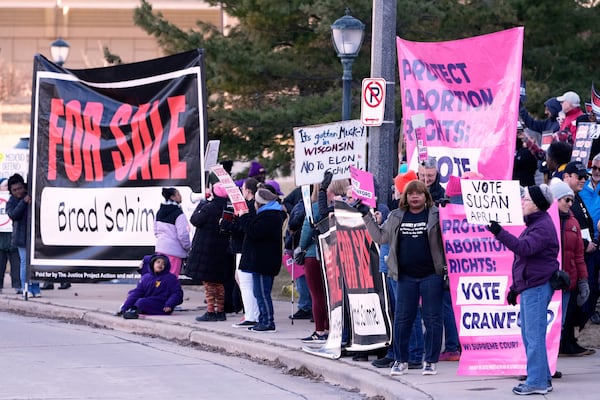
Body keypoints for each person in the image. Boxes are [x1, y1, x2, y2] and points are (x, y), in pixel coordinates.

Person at [360, 179, 446, 376]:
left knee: (433, 319)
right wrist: (367, 217)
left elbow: (451, 232)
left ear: (426, 196)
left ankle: (431, 361)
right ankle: (400, 360)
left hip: (431, 275)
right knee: (402, 319)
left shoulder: (436, 214)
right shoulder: (396, 215)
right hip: (404, 276)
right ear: (405, 197)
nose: (415, 196)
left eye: (419, 193)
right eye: (411, 193)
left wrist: (449, 209)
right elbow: (381, 238)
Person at [487, 184, 558, 395]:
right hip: (531, 286)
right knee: (531, 336)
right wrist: (515, 289)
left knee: (533, 336)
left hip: (537, 287)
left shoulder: (542, 226)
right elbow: (524, 261)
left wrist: (499, 232)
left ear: (536, 205)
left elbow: (523, 249)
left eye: (525, 199)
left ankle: (537, 381)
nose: (522, 202)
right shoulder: (537, 224)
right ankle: (542, 377)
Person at [372, 170, 426, 370]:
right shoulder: (397, 212)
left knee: (406, 313)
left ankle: (410, 354)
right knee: (401, 312)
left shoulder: (404, 214)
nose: (393, 189)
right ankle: (406, 352)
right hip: (393, 267)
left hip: (399, 269)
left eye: (397, 186)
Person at [549, 181, 593, 356]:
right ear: (555, 199)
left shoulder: (573, 222)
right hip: (547, 283)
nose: (569, 203)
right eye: (565, 200)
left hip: (566, 283)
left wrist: (583, 281)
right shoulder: (545, 220)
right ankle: (542, 366)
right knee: (545, 326)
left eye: (571, 200)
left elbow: (578, 256)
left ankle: (550, 364)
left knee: (559, 324)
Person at [238, 188, 287, 332]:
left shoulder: (270, 216)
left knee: (262, 293)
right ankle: (262, 320)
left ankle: (268, 322)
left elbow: (254, 232)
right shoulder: (268, 214)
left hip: (264, 261)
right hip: (262, 260)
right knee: (258, 292)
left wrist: (243, 217)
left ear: (259, 203)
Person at [188, 183, 235, 322]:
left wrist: (201, 204)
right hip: (222, 251)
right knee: (219, 283)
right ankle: (220, 310)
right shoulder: (228, 208)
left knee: (209, 283)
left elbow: (195, 220)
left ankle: (210, 311)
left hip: (207, 251)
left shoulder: (209, 207)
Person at [220, 178, 261, 328]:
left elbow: (243, 228)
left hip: (244, 248)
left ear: (248, 191)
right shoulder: (247, 207)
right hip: (240, 248)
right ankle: (251, 313)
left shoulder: (249, 207)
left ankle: (252, 315)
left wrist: (229, 224)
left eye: (243, 189)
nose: (241, 192)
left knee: (246, 283)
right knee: (242, 280)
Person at [298, 185, 328, 343]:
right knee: (331, 294)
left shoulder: (315, 208)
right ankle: (330, 327)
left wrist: (301, 248)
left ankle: (320, 330)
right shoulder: (343, 207)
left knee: (318, 295)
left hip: (314, 253)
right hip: (333, 253)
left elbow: (306, 231)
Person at [6, 174, 40, 298]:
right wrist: (23, 202)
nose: (18, 192)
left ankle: (36, 288)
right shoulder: (11, 202)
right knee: (25, 262)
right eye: (14, 190)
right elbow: (14, 215)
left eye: (20, 188)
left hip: (34, 235)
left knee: (35, 263)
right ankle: (26, 287)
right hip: (21, 238)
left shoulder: (31, 194)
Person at [119, 254, 184, 319]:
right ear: (153, 263)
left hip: (163, 306)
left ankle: (135, 310)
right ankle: (130, 310)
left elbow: (177, 293)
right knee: (132, 295)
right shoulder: (146, 277)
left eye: (163, 264)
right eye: (158, 262)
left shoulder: (170, 278)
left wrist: (169, 304)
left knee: (141, 302)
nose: (160, 265)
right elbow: (138, 292)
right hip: (148, 301)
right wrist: (125, 307)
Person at [154, 187, 191, 277]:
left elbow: (155, 231)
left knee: (160, 277)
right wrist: (188, 247)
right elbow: (183, 234)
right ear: (173, 197)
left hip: (160, 249)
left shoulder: (159, 212)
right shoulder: (179, 214)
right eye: (178, 194)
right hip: (174, 252)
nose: (180, 196)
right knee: (172, 279)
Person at [0, 178, 21, 294]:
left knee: (16, 263)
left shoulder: (14, 200)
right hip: (1, 238)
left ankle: (18, 285)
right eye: (3, 186)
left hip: (12, 236)